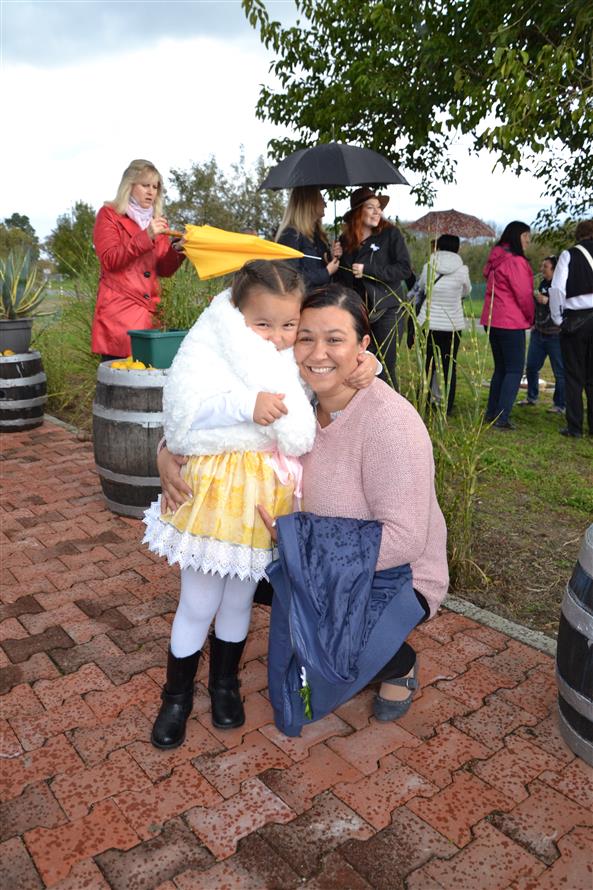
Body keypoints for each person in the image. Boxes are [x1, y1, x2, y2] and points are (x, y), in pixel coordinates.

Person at [159, 285, 449, 727]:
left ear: (362, 346)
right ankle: (195, 686)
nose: (317, 353)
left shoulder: (389, 424)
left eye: (335, 339)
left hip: (391, 573)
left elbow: (406, 540)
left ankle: (397, 660)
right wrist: (166, 452)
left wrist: (303, 550)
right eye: (305, 338)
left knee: (327, 655)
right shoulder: (298, 399)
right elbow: (216, 420)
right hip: (305, 553)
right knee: (221, 580)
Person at [144, 262, 377, 749]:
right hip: (218, 493)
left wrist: (368, 364)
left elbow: (327, 370)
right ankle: (176, 696)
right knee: (198, 601)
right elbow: (187, 407)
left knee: (239, 599)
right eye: (263, 323)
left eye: (289, 324)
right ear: (237, 313)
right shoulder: (216, 347)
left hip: (264, 497)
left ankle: (224, 684)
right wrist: (244, 405)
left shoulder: (290, 355)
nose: (277, 336)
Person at [91, 159, 185, 361]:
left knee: (150, 376)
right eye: (145, 185)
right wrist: (146, 236)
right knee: (119, 376)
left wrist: (178, 249)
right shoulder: (109, 215)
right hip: (119, 315)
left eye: (155, 187)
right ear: (130, 185)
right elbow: (109, 259)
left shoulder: (157, 221)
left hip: (151, 317)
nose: (151, 192)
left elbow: (163, 269)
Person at [336, 187, 412, 387]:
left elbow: (404, 269)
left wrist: (369, 270)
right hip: (359, 311)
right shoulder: (346, 240)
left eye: (379, 207)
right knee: (358, 362)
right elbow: (342, 280)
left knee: (385, 366)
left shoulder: (391, 234)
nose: (377, 211)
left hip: (388, 309)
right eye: (371, 207)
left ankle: (389, 406)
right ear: (357, 212)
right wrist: (335, 257)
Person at [481, 221, 534, 430]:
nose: (528, 241)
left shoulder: (497, 259)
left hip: (493, 320)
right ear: (517, 236)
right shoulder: (515, 262)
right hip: (510, 322)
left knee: (501, 369)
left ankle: (492, 413)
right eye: (526, 237)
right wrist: (531, 317)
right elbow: (524, 295)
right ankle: (501, 418)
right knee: (514, 370)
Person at [416, 234, 471, 414]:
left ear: (438, 246)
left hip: (428, 323)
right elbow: (466, 291)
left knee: (427, 364)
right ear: (457, 248)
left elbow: (422, 287)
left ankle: (422, 401)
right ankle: (446, 404)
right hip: (451, 325)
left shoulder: (429, 266)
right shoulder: (462, 270)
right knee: (448, 366)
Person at [549, 219, 593, 438]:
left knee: (574, 376)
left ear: (579, 234)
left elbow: (557, 289)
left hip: (576, 321)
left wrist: (558, 319)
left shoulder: (569, 255)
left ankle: (575, 427)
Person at [517, 255, 565, 414]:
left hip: (556, 336)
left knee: (560, 372)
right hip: (538, 333)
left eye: (546, 266)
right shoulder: (542, 283)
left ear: (555, 269)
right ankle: (532, 397)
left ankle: (560, 404)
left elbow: (565, 306)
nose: (542, 269)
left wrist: (548, 301)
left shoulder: (561, 286)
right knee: (531, 367)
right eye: (542, 266)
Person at [276, 187, 340, 290]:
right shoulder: (290, 235)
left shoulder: (317, 235)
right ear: (309, 203)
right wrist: (326, 272)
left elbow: (318, 265)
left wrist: (331, 257)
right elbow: (289, 277)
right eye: (321, 199)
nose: (325, 204)